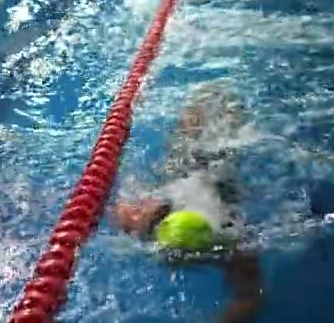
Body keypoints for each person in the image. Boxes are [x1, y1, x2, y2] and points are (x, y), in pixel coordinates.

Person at [111, 81, 262, 322]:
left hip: (205, 179)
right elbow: (249, 297)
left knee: (202, 154)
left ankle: (216, 105)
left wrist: (131, 221)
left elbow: (250, 297)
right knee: (201, 153)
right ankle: (216, 105)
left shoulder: (230, 239)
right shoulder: (230, 243)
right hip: (198, 178)